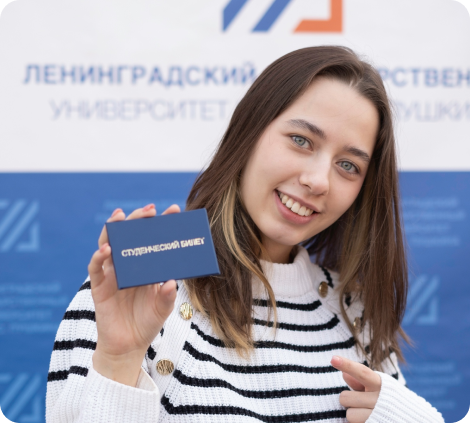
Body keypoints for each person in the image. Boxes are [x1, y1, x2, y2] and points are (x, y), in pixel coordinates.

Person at [46, 46, 444, 423]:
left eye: (348, 165)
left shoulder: (353, 311)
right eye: (301, 141)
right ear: (248, 132)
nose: (318, 180)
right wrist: (118, 359)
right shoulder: (143, 280)